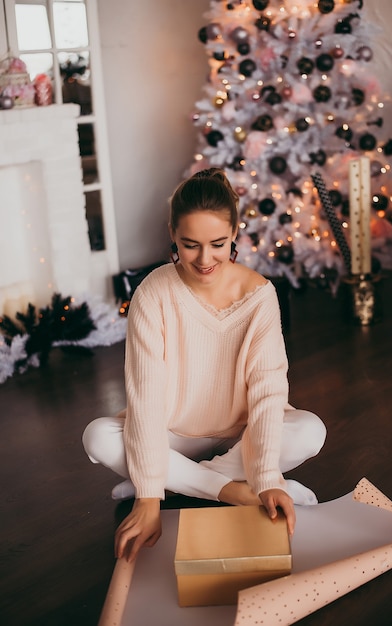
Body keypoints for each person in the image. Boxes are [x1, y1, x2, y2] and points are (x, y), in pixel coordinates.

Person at [82, 168, 326, 563]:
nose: (204, 258)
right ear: (172, 233)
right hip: (173, 431)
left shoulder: (260, 295)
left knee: (310, 431)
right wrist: (147, 501)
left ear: (234, 233)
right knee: (97, 437)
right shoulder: (153, 292)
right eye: (190, 244)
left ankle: (171, 480)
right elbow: (144, 398)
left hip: (240, 438)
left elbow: (267, 392)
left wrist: (265, 478)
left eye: (217, 243)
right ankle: (223, 488)